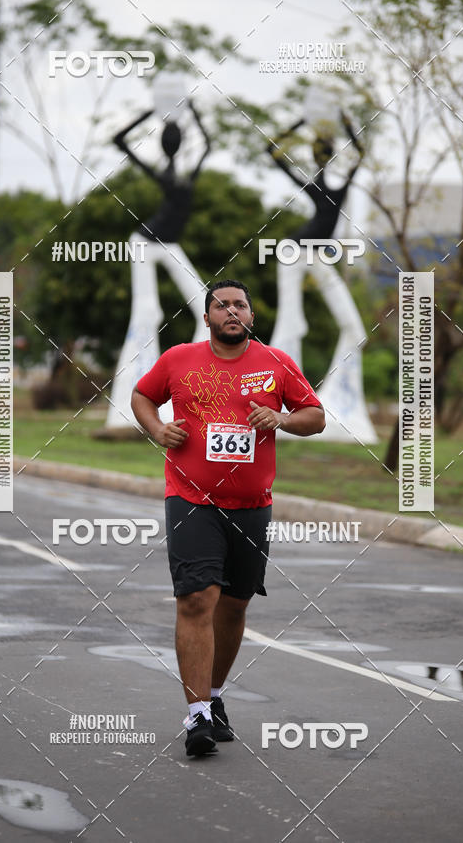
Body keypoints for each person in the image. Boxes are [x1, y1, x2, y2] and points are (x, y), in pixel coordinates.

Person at [130, 280, 325, 756]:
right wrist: (158, 429)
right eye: (222, 305)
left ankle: (214, 696)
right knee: (197, 599)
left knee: (234, 604)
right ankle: (197, 716)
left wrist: (280, 419)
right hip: (191, 499)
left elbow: (315, 416)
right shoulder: (179, 359)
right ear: (207, 318)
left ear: (252, 317)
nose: (232, 311)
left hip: (252, 507)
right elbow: (142, 396)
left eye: (240, 304)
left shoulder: (275, 363)